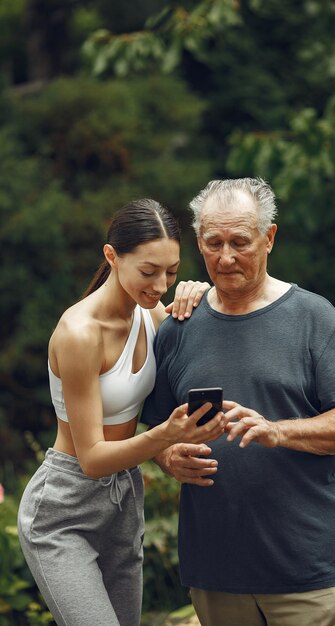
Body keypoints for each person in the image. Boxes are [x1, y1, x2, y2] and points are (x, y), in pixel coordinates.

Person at [141, 178, 335, 626]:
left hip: (311, 572)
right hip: (215, 573)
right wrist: (169, 455)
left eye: (239, 242)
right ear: (199, 243)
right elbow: (153, 429)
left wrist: (277, 430)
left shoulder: (315, 318)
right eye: (214, 243)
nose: (226, 256)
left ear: (268, 238)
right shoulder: (177, 328)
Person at [17, 198, 226, 626]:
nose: (161, 284)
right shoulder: (79, 334)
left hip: (124, 499)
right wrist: (166, 436)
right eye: (148, 272)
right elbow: (92, 458)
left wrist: (199, 294)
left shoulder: (151, 315)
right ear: (111, 256)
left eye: (171, 271)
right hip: (64, 507)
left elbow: (200, 332)